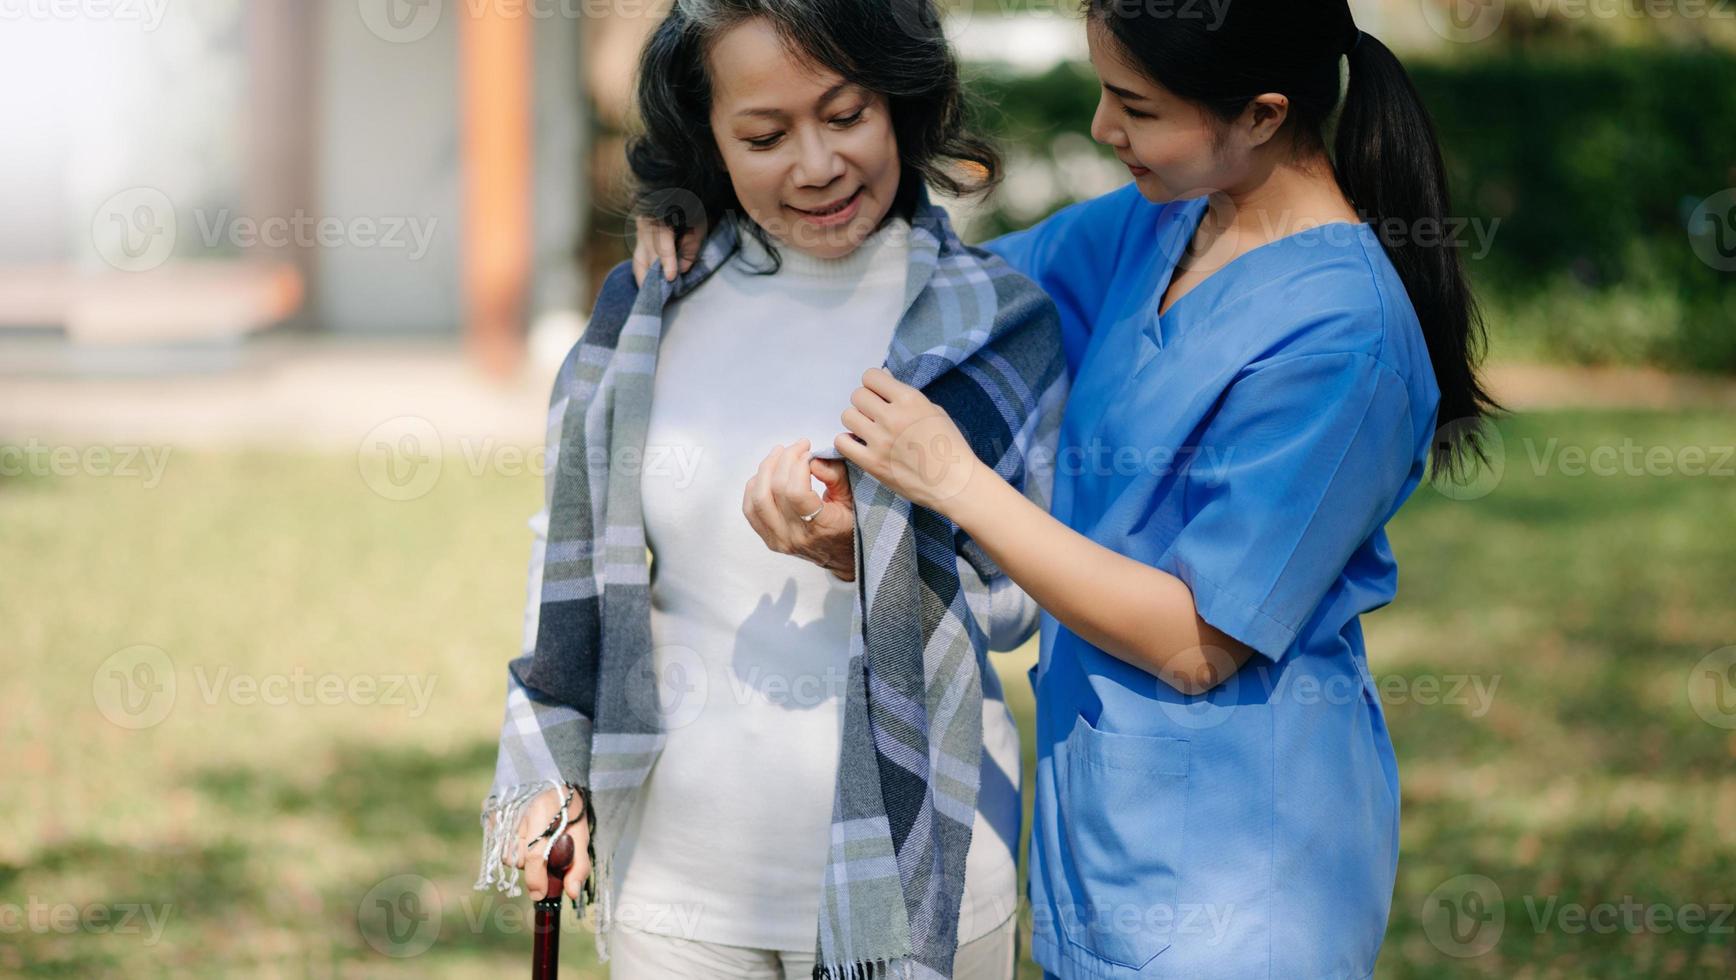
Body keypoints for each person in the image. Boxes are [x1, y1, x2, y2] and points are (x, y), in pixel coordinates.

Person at [639, 1, 1497, 976]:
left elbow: (1194, 642)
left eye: (1134, 104)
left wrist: (955, 483)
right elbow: (928, 283)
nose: (1101, 127)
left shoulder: (1346, 339)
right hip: (1101, 838)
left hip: (1244, 867)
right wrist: (704, 210)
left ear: (1260, 114)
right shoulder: (1160, 225)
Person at [475, 2, 1067, 978]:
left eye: (844, 116)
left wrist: (867, 550)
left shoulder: (988, 322)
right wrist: (546, 765)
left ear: (901, 101)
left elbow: (1017, 602)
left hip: (925, 876)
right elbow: (566, 547)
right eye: (763, 134)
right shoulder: (648, 303)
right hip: (677, 883)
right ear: (707, 135)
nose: (815, 165)